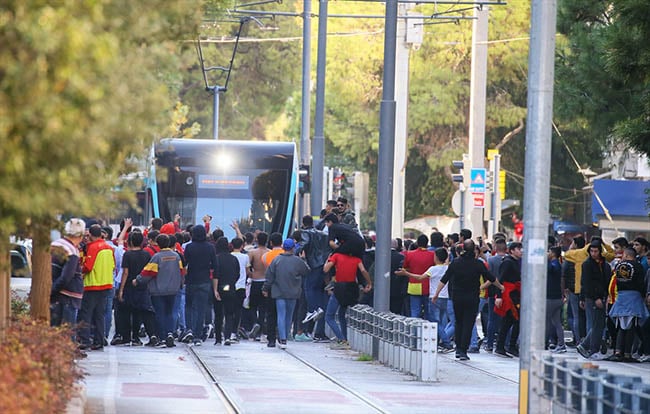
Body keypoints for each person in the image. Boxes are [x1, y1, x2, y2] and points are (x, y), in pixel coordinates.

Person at [432, 240, 502, 361]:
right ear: (474, 250)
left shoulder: (455, 263)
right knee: (468, 324)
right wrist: (500, 287)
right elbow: (491, 278)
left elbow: (444, 279)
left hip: (457, 297)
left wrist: (436, 293)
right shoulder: (478, 264)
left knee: (458, 322)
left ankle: (458, 349)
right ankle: (463, 350)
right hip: (472, 297)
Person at [135, 234, 185, 348]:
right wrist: (179, 285)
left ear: (158, 244)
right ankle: (169, 334)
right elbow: (182, 272)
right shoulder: (176, 257)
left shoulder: (157, 257)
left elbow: (148, 273)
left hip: (158, 290)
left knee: (159, 314)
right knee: (169, 313)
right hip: (173, 290)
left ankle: (161, 338)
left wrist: (137, 280)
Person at [263, 239, 310, 349]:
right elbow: (307, 271)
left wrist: (265, 288)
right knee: (289, 316)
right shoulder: (298, 261)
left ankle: (282, 338)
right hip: (293, 293)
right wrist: (303, 259)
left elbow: (269, 276)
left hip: (278, 292)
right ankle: (285, 336)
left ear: (283, 247)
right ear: (293, 248)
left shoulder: (276, 260)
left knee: (281, 315)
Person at [77, 224, 116, 351]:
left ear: (91, 235)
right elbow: (113, 265)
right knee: (100, 314)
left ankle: (85, 340)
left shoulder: (93, 247)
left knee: (86, 313)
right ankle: (99, 341)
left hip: (93, 284)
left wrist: (78, 270)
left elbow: (88, 267)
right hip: (106, 284)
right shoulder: (109, 248)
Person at [323, 250, 372, 348]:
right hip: (351, 288)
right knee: (342, 314)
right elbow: (363, 271)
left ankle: (342, 339)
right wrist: (369, 283)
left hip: (339, 287)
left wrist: (327, 261)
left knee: (329, 316)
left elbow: (326, 269)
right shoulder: (357, 259)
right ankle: (344, 338)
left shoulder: (336, 256)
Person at [606, 248, 648, 362]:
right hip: (634, 298)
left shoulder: (619, 266)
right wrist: (643, 295)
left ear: (626, 255)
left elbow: (616, 282)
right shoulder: (638, 266)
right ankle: (627, 354)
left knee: (621, 326)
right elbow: (641, 283)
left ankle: (618, 351)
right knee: (631, 326)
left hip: (621, 297)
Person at [117, 231, 158, 346]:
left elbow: (125, 272)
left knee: (126, 311)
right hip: (142, 286)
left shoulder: (127, 255)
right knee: (138, 313)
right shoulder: (146, 254)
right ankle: (135, 337)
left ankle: (126, 337)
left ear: (129, 241)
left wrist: (121, 289)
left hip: (129, 286)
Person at [297, 215, 331, 342]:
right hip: (323, 265)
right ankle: (318, 311)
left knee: (308, 288)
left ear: (303, 223)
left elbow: (304, 243)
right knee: (318, 291)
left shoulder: (305, 233)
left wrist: (296, 251)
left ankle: (312, 309)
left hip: (312, 264)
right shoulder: (322, 234)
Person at [182, 224, 217, 345]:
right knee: (201, 308)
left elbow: (185, 262)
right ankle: (197, 336)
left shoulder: (190, 247)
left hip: (191, 279)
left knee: (189, 305)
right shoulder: (210, 247)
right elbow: (214, 265)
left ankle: (189, 329)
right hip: (205, 280)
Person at [576, 242, 612, 360]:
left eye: (596, 251)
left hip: (602, 296)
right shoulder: (587, 264)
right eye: (591, 251)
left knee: (599, 324)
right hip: (593, 297)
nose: (593, 254)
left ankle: (585, 345)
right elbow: (586, 282)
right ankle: (592, 348)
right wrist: (591, 297)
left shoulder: (604, 264)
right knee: (596, 324)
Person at [51, 218, 86, 328]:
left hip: (55, 296)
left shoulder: (54, 244)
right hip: (66, 297)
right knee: (66, 334)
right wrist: (52, 291)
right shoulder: (71, 251)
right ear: (81, 235)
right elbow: (66, 277)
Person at [494, 242, 523, 358]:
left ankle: (504, 346)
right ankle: (508, 346)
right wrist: (499, 296)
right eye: (518, 249)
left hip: (515, 294)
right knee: (513, 320)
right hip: (509, 295)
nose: (521, 251)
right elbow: (499, 279)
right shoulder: (507, 262)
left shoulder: (516, 262)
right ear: (511, 250)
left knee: (510, 321)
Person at [212, 236, 240, 345]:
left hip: (218, 288)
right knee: (229, 313)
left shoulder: (216, 258)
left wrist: (215, 290)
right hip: (231, 288)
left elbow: (215, 275)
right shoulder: (234, 259)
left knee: (218, 314)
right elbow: (237, 274)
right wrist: (231, 283)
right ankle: (227, 336)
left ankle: (218, 338)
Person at [247, 232, 271, 342]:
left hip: (255, 280)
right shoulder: (269, 253)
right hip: (265, 281)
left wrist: (251, 274)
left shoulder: (252, 253)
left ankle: (255, 323)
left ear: (256, 240)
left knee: (252, 306)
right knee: (263, 308)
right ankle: (261, 330)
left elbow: (247, 268)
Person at [546, 246, 566, 353]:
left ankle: (544, 342)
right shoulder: (557, 264)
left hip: (551, 298)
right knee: (556, 321)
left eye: (549, 252)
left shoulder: (554, 264)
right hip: (557, 297)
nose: (547, 253)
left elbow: (550, 269)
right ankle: (561, 344)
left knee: (546, 320)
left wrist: (546, 260)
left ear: (553, 254)